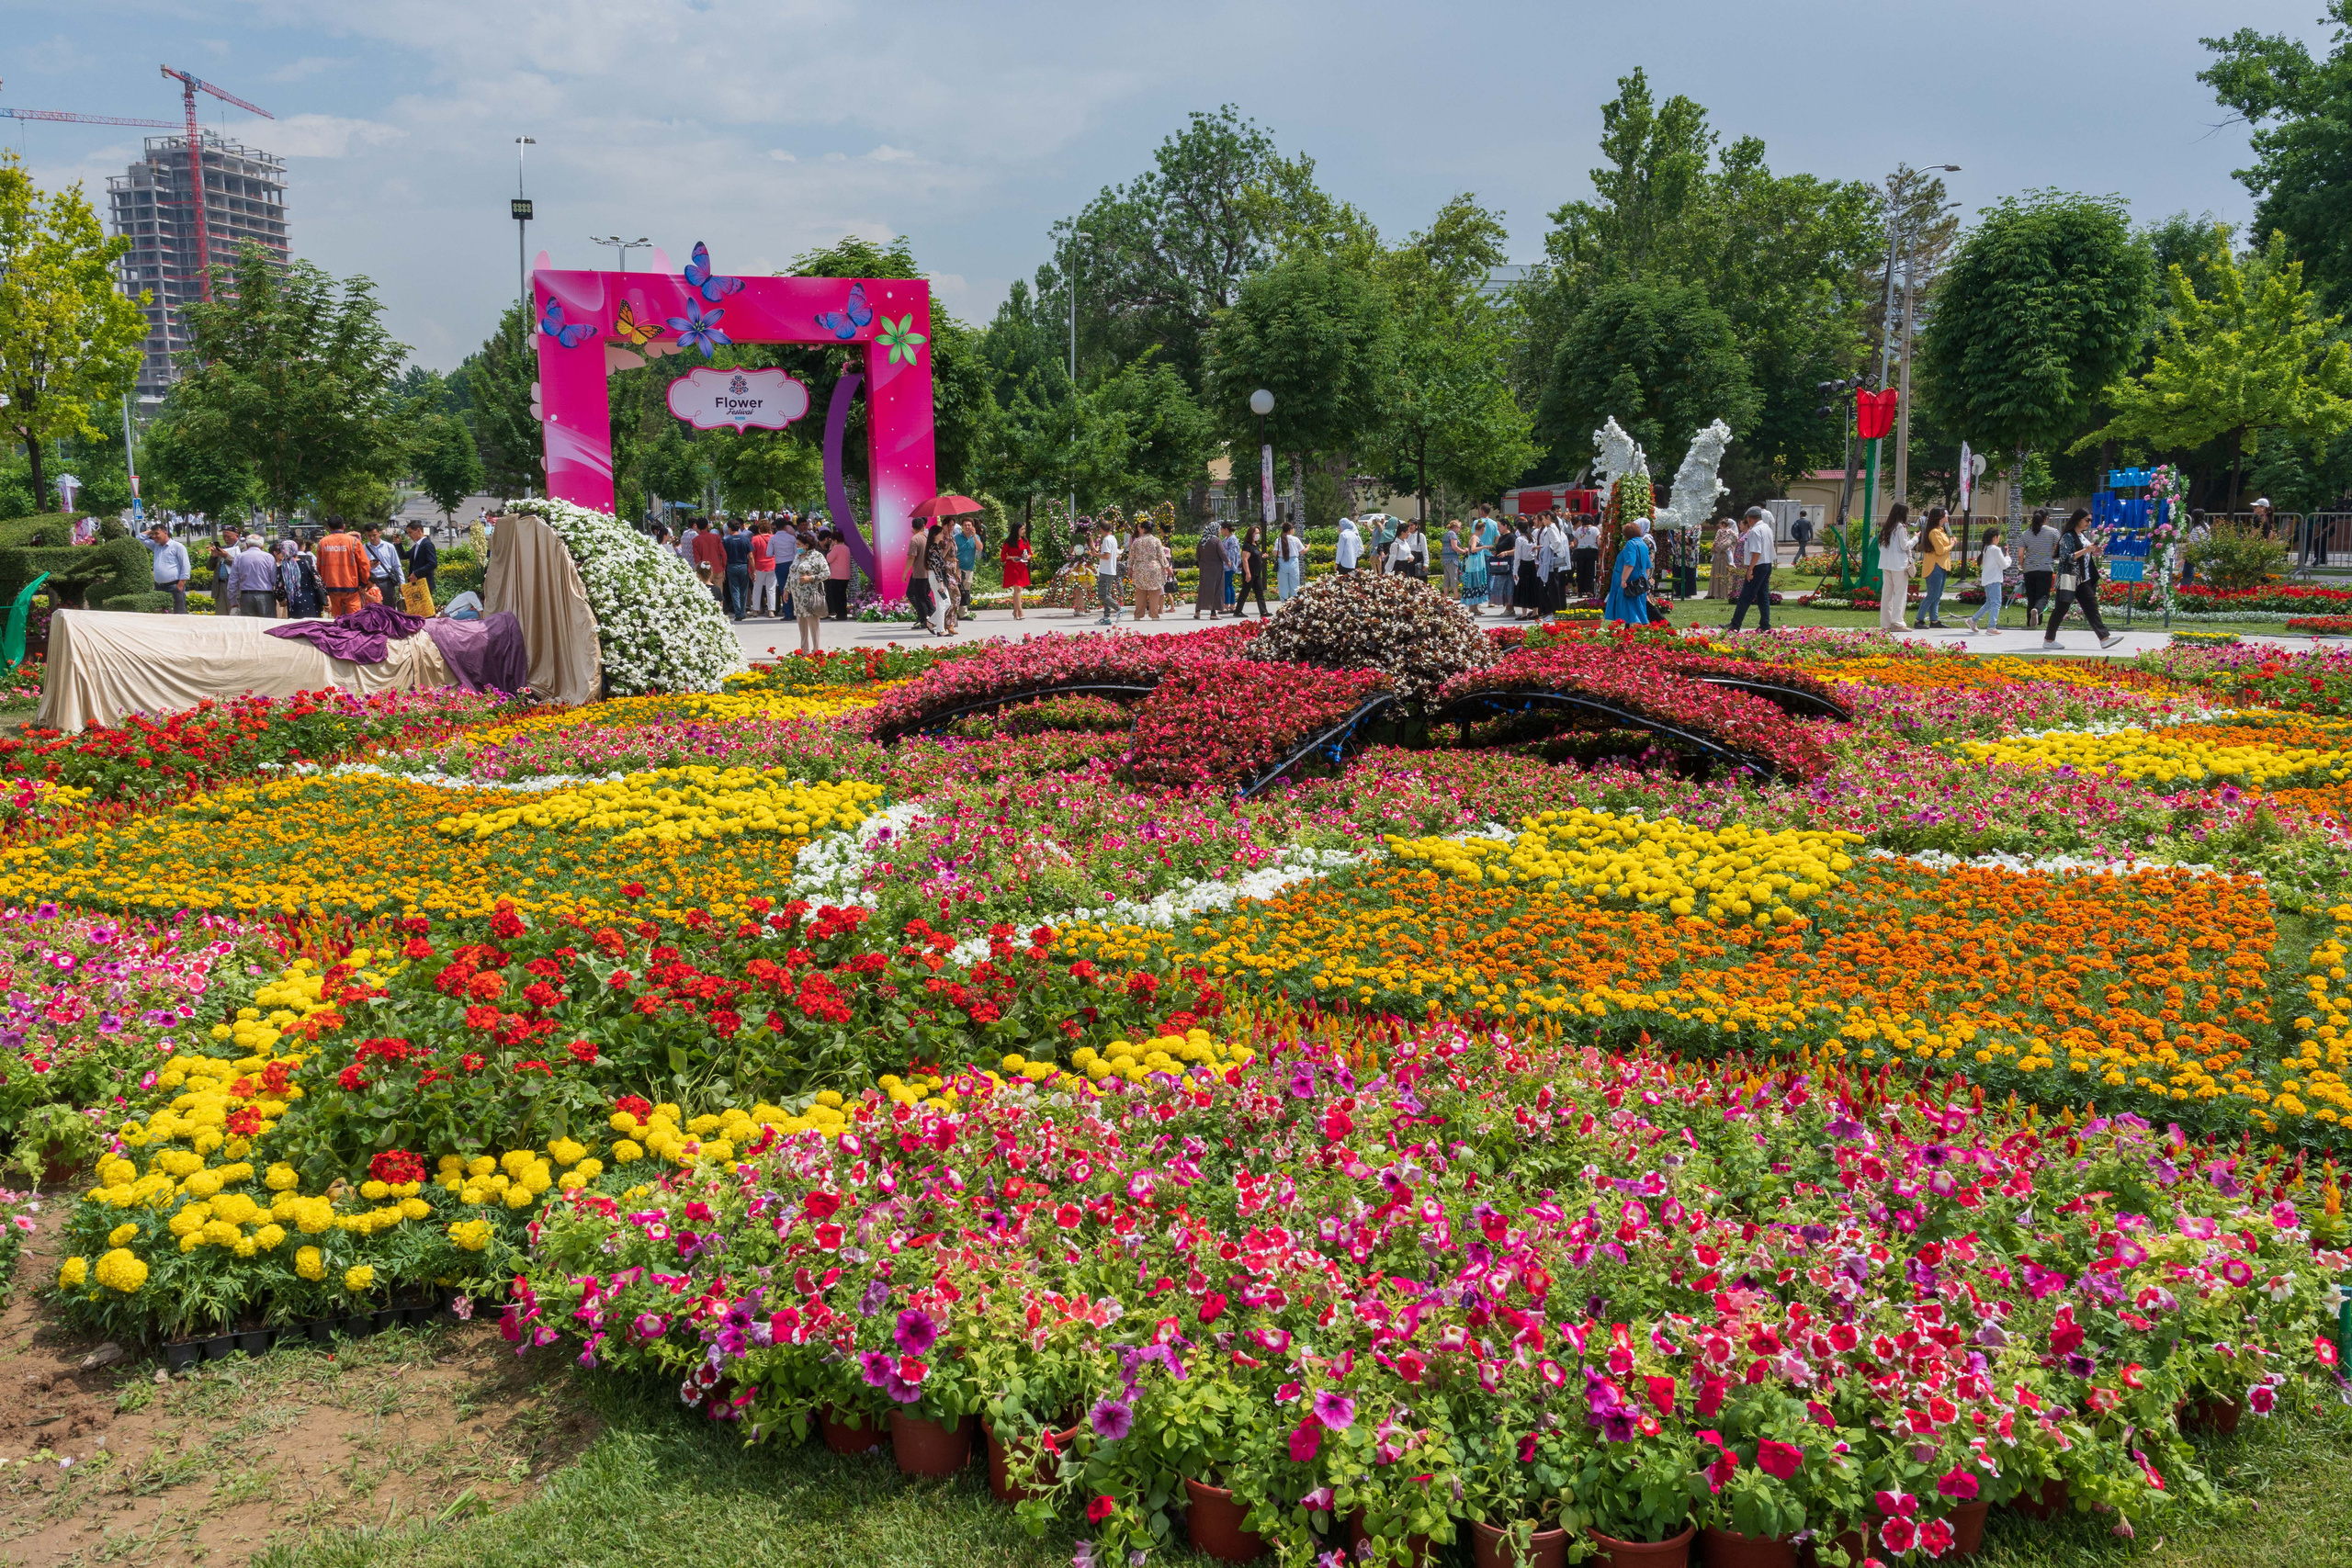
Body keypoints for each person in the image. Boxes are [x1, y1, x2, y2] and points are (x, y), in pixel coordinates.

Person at [2043, 506, 2124, 650]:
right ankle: (2049, 640)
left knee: (2091, 607)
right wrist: (2086, 550)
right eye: (2087, 520)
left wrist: (2092, 551)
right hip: (2069, 578)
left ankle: (2104, 638)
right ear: (2078, 519)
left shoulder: (2081, 536)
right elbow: (2065, 557)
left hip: (2083, 579)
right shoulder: (2068, 537)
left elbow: (2083, 554)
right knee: (2061, 609)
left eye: (2091, 520)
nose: (2089, 522)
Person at [1726, 505, 1779, 633]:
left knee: (1745, 596)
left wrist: (1750, 569)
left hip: (1757, 566)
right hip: (1766, 564)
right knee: (1763, 596)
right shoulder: (1767, 528)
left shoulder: (1755, 531)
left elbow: (1756, 552)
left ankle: (1735, 625)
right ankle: (1765, 624)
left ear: (1749, 519)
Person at [313, 523, 372, 618]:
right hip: (351, 587)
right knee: (355, 620)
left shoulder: (322, 542)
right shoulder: (353, 541)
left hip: (330, 587)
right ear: (344, 526)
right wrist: (364, 582)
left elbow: (318, 566)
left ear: (329, 528)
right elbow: (364, 565)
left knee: (334, 620)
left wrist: (323, 585)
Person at [1958, 526, 2007, 637]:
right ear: (1995, 538)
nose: (1999, 538)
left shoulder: (1986, 549)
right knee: (1996, 603)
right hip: (1994, 580)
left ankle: (1973, 620)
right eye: (1998, 537)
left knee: (1989, 603)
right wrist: (2008, 557)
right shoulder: (1995, 549)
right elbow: (2004, 565)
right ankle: (1991, 627)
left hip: (1988, 580)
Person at [1605, 517, 1655, 625]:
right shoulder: (1643, 544)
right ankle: (1636, 625)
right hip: (1640, 580)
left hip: (1629, 580)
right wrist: (1645, 580)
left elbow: (1629, 564)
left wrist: (1623, 579)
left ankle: (1632, 626)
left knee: (1628, 606)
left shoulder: (1630, 544)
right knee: (1638, 605)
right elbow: (1648, 566)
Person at [788, 528, 830, 655]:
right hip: (797, 596)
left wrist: (811, 578)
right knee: (801, 623)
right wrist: (786, 589)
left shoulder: (817, 556)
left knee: (813, 623)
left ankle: (816, 650)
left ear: (807, 545)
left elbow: (826, 573)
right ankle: (804, 650)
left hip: (810, 595)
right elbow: (791, 573)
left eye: (799, 545)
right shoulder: (797, 556)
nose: (797, 547)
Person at [2017, 509, 2060, 629]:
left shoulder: (2025, 533)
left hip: (2029, 569)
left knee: (2031, 596)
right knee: (2043, 595)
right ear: (2046, 518)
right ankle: (2037, 610)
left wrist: (2023, 565)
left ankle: (2031, 621)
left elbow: (2020, 554)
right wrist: (2053, 557)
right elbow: (2058, 549)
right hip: (2045, 568)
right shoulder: (2053, 532)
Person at [1914, 507, 1953, 629]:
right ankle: (1919, 620)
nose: (1947, 516)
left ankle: (1934, 620)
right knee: (1932, 594)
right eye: (1945, 514)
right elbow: (1940, 550)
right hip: (1934, 566)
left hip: (1941, 566)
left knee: (1937, 595)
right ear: (1939, 517)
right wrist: (1952, 544)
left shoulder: (1940, 530)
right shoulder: (1934, 532)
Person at [1875, 504, 1912, 633]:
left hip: (1886, 564)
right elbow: (1904, 546)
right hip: (1899, 565)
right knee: (1900, 594)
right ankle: (1897, 622)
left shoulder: (1886, 527)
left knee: (1887, 594)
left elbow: (1881, 547)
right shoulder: (1900, 527)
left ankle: (1885, 623)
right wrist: (1915, 539)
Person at [229, 534, 280, 619]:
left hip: (246, 596)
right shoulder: (269, 557)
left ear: (247, 545)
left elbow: (232, 581)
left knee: (249, 626)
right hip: (265, 596)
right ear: (262, 545)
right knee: (267, 625)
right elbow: (274, 579)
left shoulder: (239, 557)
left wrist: (233, 601)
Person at [145, 524, 190, 614]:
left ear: (165, 533)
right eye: (152, 534)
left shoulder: (177, 547)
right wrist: (150, 531)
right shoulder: (155, 546)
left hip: (174, 586)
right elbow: (139, 537)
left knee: (179, 612)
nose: (154, 536)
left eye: (156, 534)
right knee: (161, 614)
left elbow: (185, 566)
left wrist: (180, 584)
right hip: (158, 587)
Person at [1130, 519, 1169, 618]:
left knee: (1140, 593)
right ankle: (1154, 615)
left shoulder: (1137, 541)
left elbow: (1131, 557)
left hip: (1140, 569)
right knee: (1154, 592)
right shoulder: (1156, 541)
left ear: (1143, 529)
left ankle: (1138, 615)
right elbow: (1161, 556)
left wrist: (1130, 568)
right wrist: (1167, 568)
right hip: (1153, 568)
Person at [280, 537, 325, 619]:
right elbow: (318, 580)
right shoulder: (306, 563)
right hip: (310, 599)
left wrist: (281, 600)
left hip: (293, 602)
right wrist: (326, 596)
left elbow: (279, 588)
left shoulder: (282, 567)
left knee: (296, 626)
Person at [401, 520, 439, 615]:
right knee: (417, 610)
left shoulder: (427, 544)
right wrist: (398, 544)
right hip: (416, 583)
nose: (409, 535)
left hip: (424, 583)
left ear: (418, 530)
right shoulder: (417, 546)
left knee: (426, 610)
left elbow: (433, 563)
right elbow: (404, 556)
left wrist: (416, 573)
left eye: (410, 532)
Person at [721, 518, 754, 621]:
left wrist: (723, 569)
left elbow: (723, 557)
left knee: (734, 589)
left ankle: (738, 612)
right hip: (743, 565)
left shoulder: (726, 541)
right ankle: (743, 611)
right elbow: (751, 556)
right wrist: (753, 570)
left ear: (730, 529)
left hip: (731, 566)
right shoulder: (745, 540)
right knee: (744, 590)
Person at [906, 528, 937, 633]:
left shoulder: (916, 538)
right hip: (926, 571)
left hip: (920, 573)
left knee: (919, 596)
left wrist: (905, 572)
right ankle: (931, 616)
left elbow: (911, 557)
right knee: (924, 596)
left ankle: (926, 618)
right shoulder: (928, 537)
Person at [1001, 519, 1033, 620]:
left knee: (1018, 589)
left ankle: (1015, 611)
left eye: (1024, 529)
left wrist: (1028, 557)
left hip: (1022, 566)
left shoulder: (1025, 541)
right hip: (1012, 567)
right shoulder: (1009, 542)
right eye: (1022, 529)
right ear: (1016, 530)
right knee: (1018, 588)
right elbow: (1003, 555)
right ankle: (1020, 611)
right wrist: (1012, 558)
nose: (1024, 531)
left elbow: (1030, 553)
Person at [363, 525, 404, 603]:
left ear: (379, 533)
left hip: (387, 582)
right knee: (373, 612)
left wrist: (402, 584)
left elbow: (397, 566)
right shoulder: (363, 548)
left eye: (374, 535)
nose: (372, 538)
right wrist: (369, 566)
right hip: (370, 584)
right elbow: (360, 567)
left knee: (389, 610)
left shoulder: (389, 547)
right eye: (369, 535)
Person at [1094, 519, 1123, 626]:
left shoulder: (1106, 540)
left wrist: (1096, 555)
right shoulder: (1113, 539)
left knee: (1102, 594)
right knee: (1106, 593)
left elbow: (1106, 556)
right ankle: (1106, 617)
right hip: (1110, 570)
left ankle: (1118, 608)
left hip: (1106, 570)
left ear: (1101, 529)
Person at [691, 518, 727, 603]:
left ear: (697, 527)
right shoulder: (716, 537)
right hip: (718, 569)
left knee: (705, 597)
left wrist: (699, 572)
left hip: (705, 571)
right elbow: (723, 554)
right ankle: (719, 613)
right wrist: (723, 567)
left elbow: (697, 559)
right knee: (719, 596)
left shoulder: (695, 540)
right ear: (707, 526)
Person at [1238, 525, 1271, 618]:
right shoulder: (1247, 546)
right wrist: (1248, 573)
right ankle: (1238, 611)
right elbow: (1245, 560)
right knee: (1245, 591)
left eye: (1258, 533)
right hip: (1250, 572)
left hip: (1256, 573)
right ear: (1251, 534)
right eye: (1256, 533)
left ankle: (1263, 611)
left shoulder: (1255, 545)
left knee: (1260, 592)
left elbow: (1255, 557)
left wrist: (1262, 556)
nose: (1258, 535)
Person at [1512, 519, 1541, 619]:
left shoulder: (1519, 539)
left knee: (1523, 588)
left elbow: (1517, 556)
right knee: (1533, 587)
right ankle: (1535, 611)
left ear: (1518, 529)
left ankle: (1524, 613)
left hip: (1523, 565)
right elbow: (1535, 553)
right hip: (1532, 564)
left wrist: (1515, 570)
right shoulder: (1532, 538)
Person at [749, 522, 778, 618]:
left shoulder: (755, 539)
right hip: (772, 565)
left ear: (759, 529)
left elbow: (752, 556)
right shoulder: (773, 538)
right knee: (771, 589)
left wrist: (751, 570)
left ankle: (756, 610)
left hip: (759, 566)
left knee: (757, 588)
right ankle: (771, 611)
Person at [1193, 527, 1225, 617]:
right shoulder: (1216, 541)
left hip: (1204, 569)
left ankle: (1197, 612)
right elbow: (1222, 553)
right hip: (1216, 569)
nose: (1219, 531)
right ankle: (1213, 613)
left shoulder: (1202, 541)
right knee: (1216, 589)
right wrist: (1228, 561)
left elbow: (1198, 555)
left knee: (1203, 590)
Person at [1486, 518, 1513, 614]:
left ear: (1505, 526)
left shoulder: (1511, 537)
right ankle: (1508, 608)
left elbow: (1516, 550)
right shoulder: (1501, 537)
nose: (1498, 529)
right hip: (1500, 566)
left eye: (1499, 527)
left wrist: (1505, 553)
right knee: (1502, 586)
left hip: (1508, 565)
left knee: (1509, 586)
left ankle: (1509, 608)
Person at [1570, 513, 1601, 599]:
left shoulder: (1578, 530)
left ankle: (1580, 591)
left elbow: (1575, 542)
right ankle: (1589, 591)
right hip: (1592, 551)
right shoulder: (1595, 529)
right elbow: (1599, 541)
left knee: (1580, 571)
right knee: (1590, 571)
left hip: (1580, 551)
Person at [824, 530, 853, 620]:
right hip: (845, 575)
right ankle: (843, 613)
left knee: (836, 596)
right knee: (843, 595)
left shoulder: (836, 548)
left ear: (835, 540)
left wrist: (830, 549)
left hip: (836, 576)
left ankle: (839, 614)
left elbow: (828, 559)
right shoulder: (846, 548)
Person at [955, 516, 980, 614]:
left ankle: (963, 613)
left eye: (969, 525)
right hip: (957, 568)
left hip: (969, 569)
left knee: (966, 591)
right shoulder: (957, 537)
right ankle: (953, 612)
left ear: (972, 526)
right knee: (956, 591)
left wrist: (974, 536)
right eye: (965, 525)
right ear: (962, 526)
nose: (967, 527)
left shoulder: (976, 537)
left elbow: (980, 548)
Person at [1709, 518, 1738, 602]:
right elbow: (1736, 538)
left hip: (1720, 553)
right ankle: (1731, 562)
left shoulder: (1720, 531)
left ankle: (1719, 593)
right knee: (1729, 556)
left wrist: (1714, 547)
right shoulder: (1731, 532)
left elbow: (1716, 540)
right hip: (1726, 551)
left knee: (1721, 572)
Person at [1275, 521, 1305, 601]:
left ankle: (1284, 605)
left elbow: (1275, 553)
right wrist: (1308, 547)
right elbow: (1302, 551)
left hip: (1282, 562)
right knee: (1295, 585)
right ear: (1290, 530)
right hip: (1293, 562)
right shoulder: (1295, 539)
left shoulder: (1278, 540)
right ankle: (1294, 604)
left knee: (1283, 586)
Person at [1219, 522, 1241, 610]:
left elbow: (1233, 553)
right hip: (1227, 565)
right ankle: (1232, 604)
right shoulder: (1227, 538)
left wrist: (1223, 554)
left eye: (1222, 529)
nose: (1221, 531)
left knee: (1225, 585)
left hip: (1229, 566)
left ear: (1226, 529)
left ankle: (1226, 604)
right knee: (1229, 584)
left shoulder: (1232, 539)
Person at [1441, 519, 1464, 598]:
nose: (1459, 530)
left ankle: (1445, 594)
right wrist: (1463, 551)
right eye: (1459, 528)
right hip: (1452, 559)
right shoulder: (1453, 534)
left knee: (1446, 577)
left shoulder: (1446, 534)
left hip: (1445, 559)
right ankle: (1456, 594)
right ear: (1455, 527)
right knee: (1454, 576)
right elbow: (1455, 547)